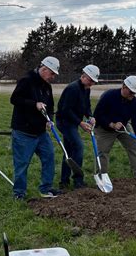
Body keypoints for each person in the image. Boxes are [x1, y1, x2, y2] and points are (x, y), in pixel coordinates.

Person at [10, 56, 62, 199]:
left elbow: (50, 106)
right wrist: (34, 104)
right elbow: (14, 99)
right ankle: (19, 193)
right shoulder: (26, 80)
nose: (52, 77)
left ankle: (46, 189)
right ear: (44, 69)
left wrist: (49, 120)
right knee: (22, 164)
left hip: (41, 132)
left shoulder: (47, 86)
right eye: (52, 74)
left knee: (49, 156)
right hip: (23, 131)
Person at [93, 76, 136, 179]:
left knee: (134, 147)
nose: (132, 95)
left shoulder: (134, 103)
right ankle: (101, 176)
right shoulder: (109, 96)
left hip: (123, 126)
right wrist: (111, 124)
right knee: (102, 151)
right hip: (104, 128)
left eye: (134, 93)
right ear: (124, 86)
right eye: (131, 92)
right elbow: (98, 115)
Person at [56, 65, 99, 190]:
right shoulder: (73, 88)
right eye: (90, 80)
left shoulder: (86, 89)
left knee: (68, 151)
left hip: (73, 122)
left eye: (94, 82)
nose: (92, 83)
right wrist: (80, 123)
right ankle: (78, 181)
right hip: (64, 122)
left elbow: (86, 105)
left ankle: (64, 182)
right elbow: (66, 110)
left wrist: (90, 116)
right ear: (83, 76)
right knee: (78, 147)